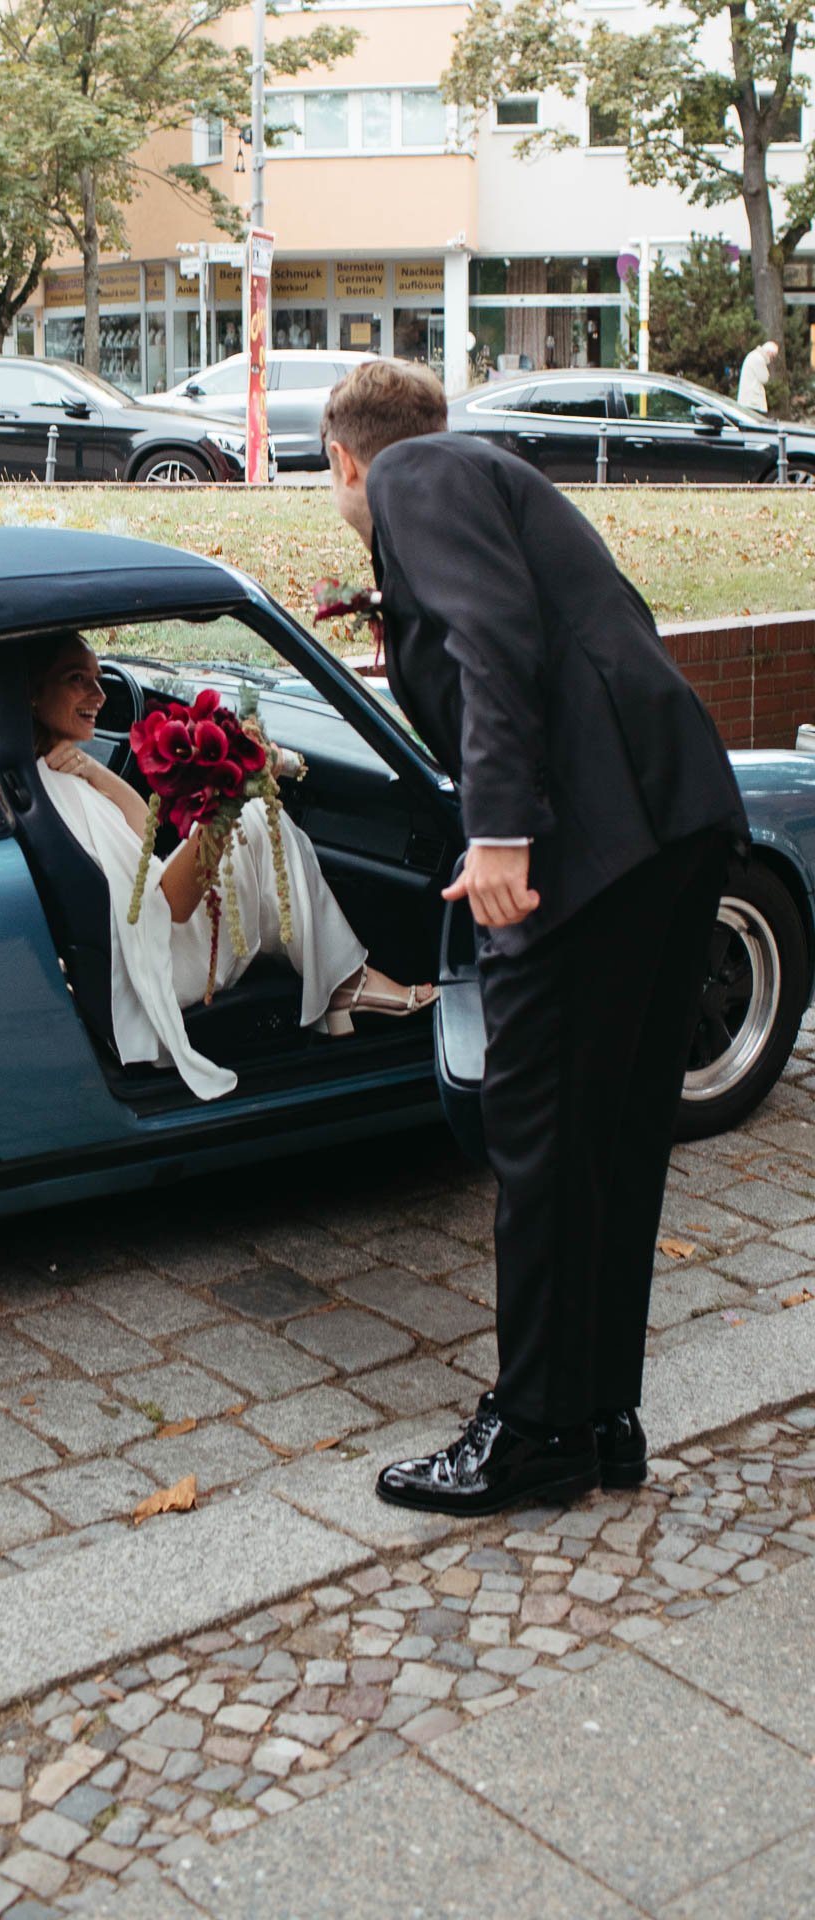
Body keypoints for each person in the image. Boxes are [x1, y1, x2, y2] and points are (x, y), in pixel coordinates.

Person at [322, 359, 748, 1517]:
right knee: (610, 1141)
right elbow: (575, 631)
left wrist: (499, 833)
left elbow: (492, 639)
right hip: (668, 825)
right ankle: (597, 1415)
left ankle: (529, 1436)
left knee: (541, 1139)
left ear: (344, 459)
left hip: (576, 855)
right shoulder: (487, 472)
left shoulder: (412, 476)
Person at [28, 633, 435, 1101]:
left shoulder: (50, 776)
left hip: (143, 946)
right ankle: (346, 985)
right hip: (162, 965)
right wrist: (226, 801)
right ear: (34, 692)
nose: (99, 696)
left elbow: (143, 841)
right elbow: (173, 906)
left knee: (255, 823)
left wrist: (96, 773)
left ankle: (341, 987)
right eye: (76, 680)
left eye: (99, 679)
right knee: (262, 819)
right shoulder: (59, 791)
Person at [738, 340, 778, 411]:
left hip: (748, 399)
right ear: (769, 352)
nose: (772, 358)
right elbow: (764, 379)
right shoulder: (759, 359)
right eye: (773, 355)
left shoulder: (754, 355)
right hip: (752, 401)